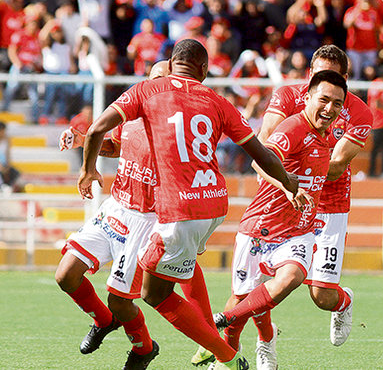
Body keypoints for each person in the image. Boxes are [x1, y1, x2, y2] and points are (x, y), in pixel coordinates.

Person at [78, 39, 302, 370]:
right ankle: (214, 349)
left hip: (177, 211)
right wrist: (288, 181)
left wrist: (87, 170)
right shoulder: (217, 100)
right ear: (203, 69)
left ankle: (227, 358)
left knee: (154, 295)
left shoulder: (148, 91)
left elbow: (97, 128)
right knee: (166, 277)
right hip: (212, 205)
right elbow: (260, 153)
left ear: (171, 63)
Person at [55, 61, 217, 369]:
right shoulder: (131, 113)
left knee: (122, 299)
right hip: (117, 207)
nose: (156, 88)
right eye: (152, 80)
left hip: (148, 219)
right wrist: (81, 140)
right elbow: (116, 145)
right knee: (65, 275)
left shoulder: (176, 128)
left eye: (163, 81)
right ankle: (104, 322)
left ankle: (144, 348)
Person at [214, 69, 347, 370]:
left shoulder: (328, 135)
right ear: (308, 97)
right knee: (241, 300)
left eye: (337, 104)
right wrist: (287, 186)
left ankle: (229, 321)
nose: (330, 109)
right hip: (260, 225)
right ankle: (245, 349)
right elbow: (259, 162)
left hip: (298, 230)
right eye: (324, 100)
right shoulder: (293, 128)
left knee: (291, 277)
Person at [258, 44, 372, 348]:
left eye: (334, 77)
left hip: (329, 204)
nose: (326, 84)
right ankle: (260, 341)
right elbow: (266, 141)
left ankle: (343, 302)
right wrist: (285, 181)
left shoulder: (359, 112)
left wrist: (295, 166)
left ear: (346, 79)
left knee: (321, 295)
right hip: (283, 199)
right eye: (319, 75)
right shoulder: (286, 95)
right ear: (310, 74)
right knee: (255, 280)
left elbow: (334, 169)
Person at [0, 121, 20, 193]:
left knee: (15, 172)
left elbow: (8, 154)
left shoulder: (6, 140)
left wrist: (8, 166)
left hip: (4, 164)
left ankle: (8, 186)